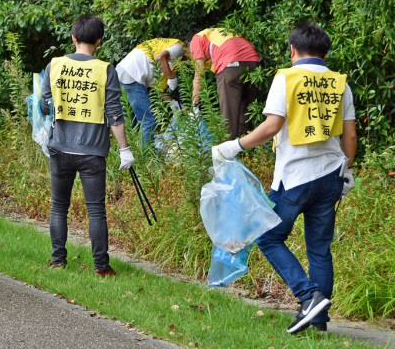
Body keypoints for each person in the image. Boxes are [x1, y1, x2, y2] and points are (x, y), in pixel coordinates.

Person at [215, 21, 357, 334]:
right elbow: (350, 136)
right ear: (324, 51)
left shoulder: (287, 77)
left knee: (268, 236)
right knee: (319, 249)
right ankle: (317, 320)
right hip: (331, 175)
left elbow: (271, 126)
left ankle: (308, 298)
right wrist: (347, 169)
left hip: (295, 176)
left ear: (292, 50)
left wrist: (234, 145)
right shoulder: (339, 83)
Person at [41, 15, 135, 276]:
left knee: (59, 205)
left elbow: (45, 105)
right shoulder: (105, 70)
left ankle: (58, 261)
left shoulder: (55, 65)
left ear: (73, 37)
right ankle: (101, 267)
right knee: (96, 209)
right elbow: (114, 114)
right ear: (99, 40)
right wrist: (125, 149)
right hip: (92, 151)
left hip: (60, 147)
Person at [189, 28, 260, 138]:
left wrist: (194, 102)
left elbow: (199, 72)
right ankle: (250, 148)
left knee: (228, 115)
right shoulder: (220, 32)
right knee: (247, 110)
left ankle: (226, 151)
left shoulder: (196, 39)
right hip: (254, 63)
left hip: (230, 63)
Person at [116, 38, 184, 143]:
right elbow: (161, 57)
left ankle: (138, 152)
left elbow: (160, 92)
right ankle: (146, 155)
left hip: (125, 72)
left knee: (133, 122)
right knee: (148, 120)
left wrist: (175, 106)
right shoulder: (179, 47)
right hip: (132, 75)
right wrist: (172, 79)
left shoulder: (166, 57)